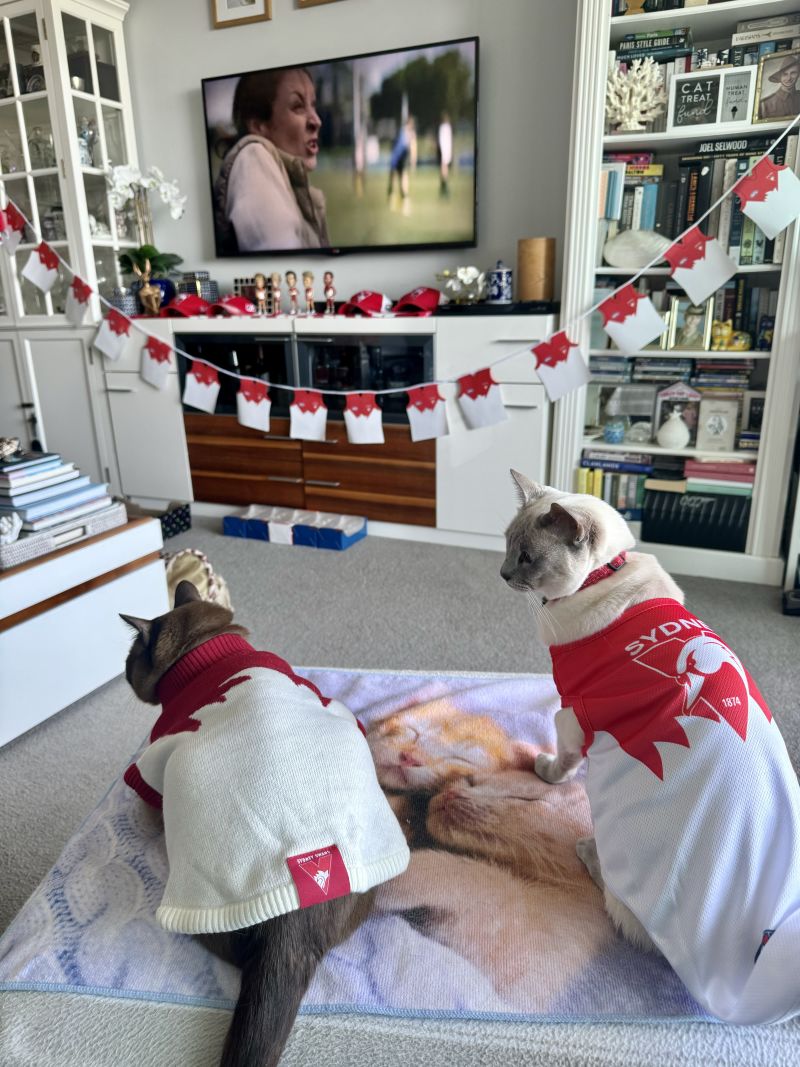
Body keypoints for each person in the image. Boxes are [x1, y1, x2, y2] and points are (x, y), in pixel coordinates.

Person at [214, 67, 330, 253]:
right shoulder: (253, 157)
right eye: (298, 106)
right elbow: (279, 264)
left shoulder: (279, 173)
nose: (316, 121)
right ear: (259, 126)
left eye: (313, 105)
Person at [387, 116, 417, 214]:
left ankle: (402, 199)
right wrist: (413, 162)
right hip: (397, 158)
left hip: (399, 158)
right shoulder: (407, 133)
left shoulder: (402, 132)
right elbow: (413, 148)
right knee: (398, 179)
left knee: (401, 178)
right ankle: (398, 199)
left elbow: (393, 145)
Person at [758, 55, 800, 121]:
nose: (788, 78)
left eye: (793, 73)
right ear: (780, 77)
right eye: (785, 74)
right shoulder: (764, 104)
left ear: (798, 75)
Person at [437, 111, 453, 197]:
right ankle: (444, 187)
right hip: (446, 152)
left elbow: (444, 141)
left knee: (444, 169)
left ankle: (444, 186)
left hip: (445, 152)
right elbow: (443, 141)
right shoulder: (446, 127)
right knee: (444, 169)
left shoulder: (445, 127)